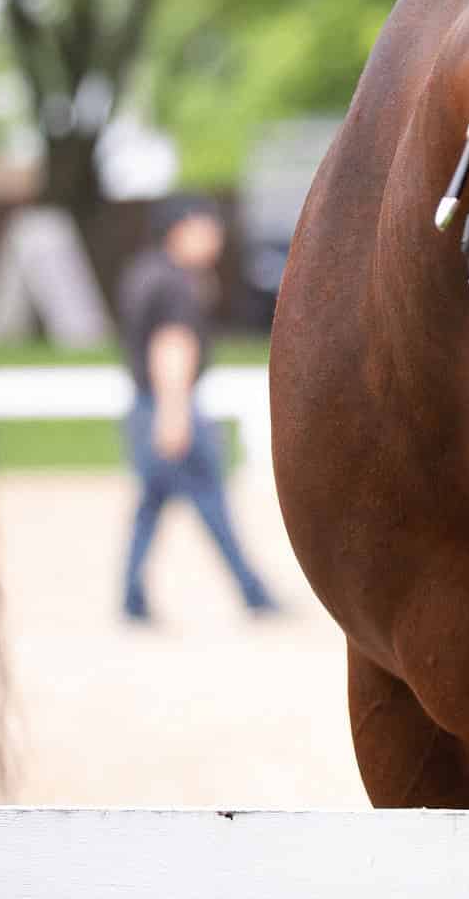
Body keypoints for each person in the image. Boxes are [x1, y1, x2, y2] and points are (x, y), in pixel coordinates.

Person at [118, 197, 277, 623]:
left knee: (153, 506)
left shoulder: (145, 273)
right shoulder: (176, 283)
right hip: (172, 404)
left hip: (145, 405)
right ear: (183, 228)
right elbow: (172, 345)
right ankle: (254, 593)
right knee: (210, 502)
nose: (216, 237)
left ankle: (132, 596)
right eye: (209, 227)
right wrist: (174, 413)